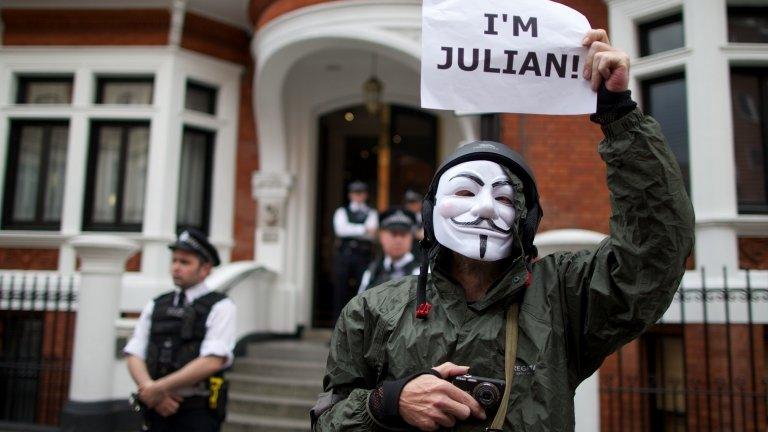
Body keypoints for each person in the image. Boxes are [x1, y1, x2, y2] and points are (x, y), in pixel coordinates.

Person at [311, 30, 695, 431]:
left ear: (525, 220)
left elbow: (654, 252)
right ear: (431, 210)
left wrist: (618, 114)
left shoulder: (562, 298)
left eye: (505, 198)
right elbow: (327, 420)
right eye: (465, 190)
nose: (484, 208)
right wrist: (386, 402)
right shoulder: (371, 312)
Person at [124, 228, 236, 432]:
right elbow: (134, 352)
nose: (176, 267)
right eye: (174, 261)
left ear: (205, 269)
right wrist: (152, 392)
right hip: (155, 407)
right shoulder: (156, 304)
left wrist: (157, 389)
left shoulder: (221, 306)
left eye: (185, 262)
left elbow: (212, 361)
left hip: (196, 411)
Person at [332, 181, 378, 322]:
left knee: (363, 292)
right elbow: (340, 230)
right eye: (355, 193)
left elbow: (372, 232)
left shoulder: (372, 212)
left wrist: (351, 229)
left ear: (365, 195)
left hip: (363, 256)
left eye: (361, 193)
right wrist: (363, 229)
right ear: (350, 195)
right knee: (340, 293)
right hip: (344, 256)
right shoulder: (341, 211)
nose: (358, 196)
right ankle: (337, 330)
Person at [358, 208, 420, 294]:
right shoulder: (372, 272)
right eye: (393, 234)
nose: (398, 240)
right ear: (381, 236)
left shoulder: (423, 272)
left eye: (403, 234)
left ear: (411, 237)